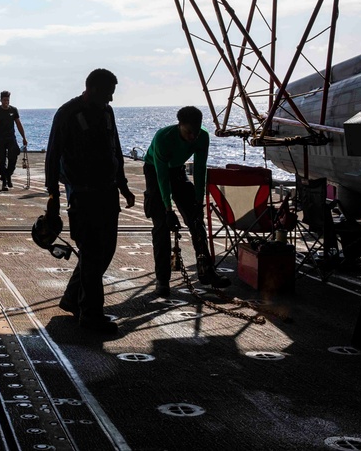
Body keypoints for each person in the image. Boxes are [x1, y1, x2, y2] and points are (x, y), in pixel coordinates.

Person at [45, 69, 135, 334]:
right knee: (93, 253)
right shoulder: (67, 113)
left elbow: (115, 149)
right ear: (93, 89)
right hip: (82, 195)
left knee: (104, 252)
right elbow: (52, 156)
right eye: (108, 93)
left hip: (107, 193)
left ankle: (74, 299)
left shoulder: (107, 113)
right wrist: (53, 196)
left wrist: (124, 186)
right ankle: (91, 315)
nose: (110, 99)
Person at [143, 105, 231, 297]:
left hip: (178, 171)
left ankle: (206, 271)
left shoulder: (203, 137)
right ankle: (162, 280)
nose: (193, 137)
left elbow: (200, 171)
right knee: (161, 226)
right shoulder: (163, 138)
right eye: (189, 132)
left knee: (196, 221)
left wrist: (198, 204)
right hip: (155, 171)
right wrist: (168, 209)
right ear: (179, 125)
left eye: (196, 132)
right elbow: (162, 177)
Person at [0, 90, 28, 191]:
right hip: (0, 139)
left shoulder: (14, 110)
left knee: (13, 157)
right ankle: (4, 182)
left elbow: (18, 124)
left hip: (11, 138)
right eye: (4, 100)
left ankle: (8, 175)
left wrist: (24, 138)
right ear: (1, 100)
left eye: (7, 100)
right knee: (2, 160)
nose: (6, 102)